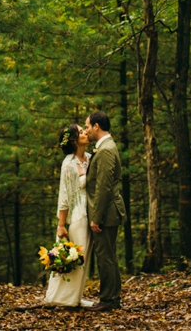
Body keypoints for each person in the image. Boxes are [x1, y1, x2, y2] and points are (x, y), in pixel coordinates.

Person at [43, 123, 92, 307]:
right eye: (80, 132)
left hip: (91, 211)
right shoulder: (68, 164)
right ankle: (63, 299)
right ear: (73, 140)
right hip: (77, 214)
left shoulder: (89, 157)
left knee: (84, 256)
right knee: (75, 256)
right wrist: (61, 224)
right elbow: (64, 197)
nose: (85, 133)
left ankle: (76, 297)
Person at [84, 110, 125, 311]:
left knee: (105, 256)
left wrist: (96, 217)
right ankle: (111, 298)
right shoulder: (103, 147)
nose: (86, 131)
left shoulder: (107, 149)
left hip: (106, 213)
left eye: (87, 127)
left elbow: (104, 186)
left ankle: (109, 299)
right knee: (107, 255)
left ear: (96, 126)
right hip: (106, 212)